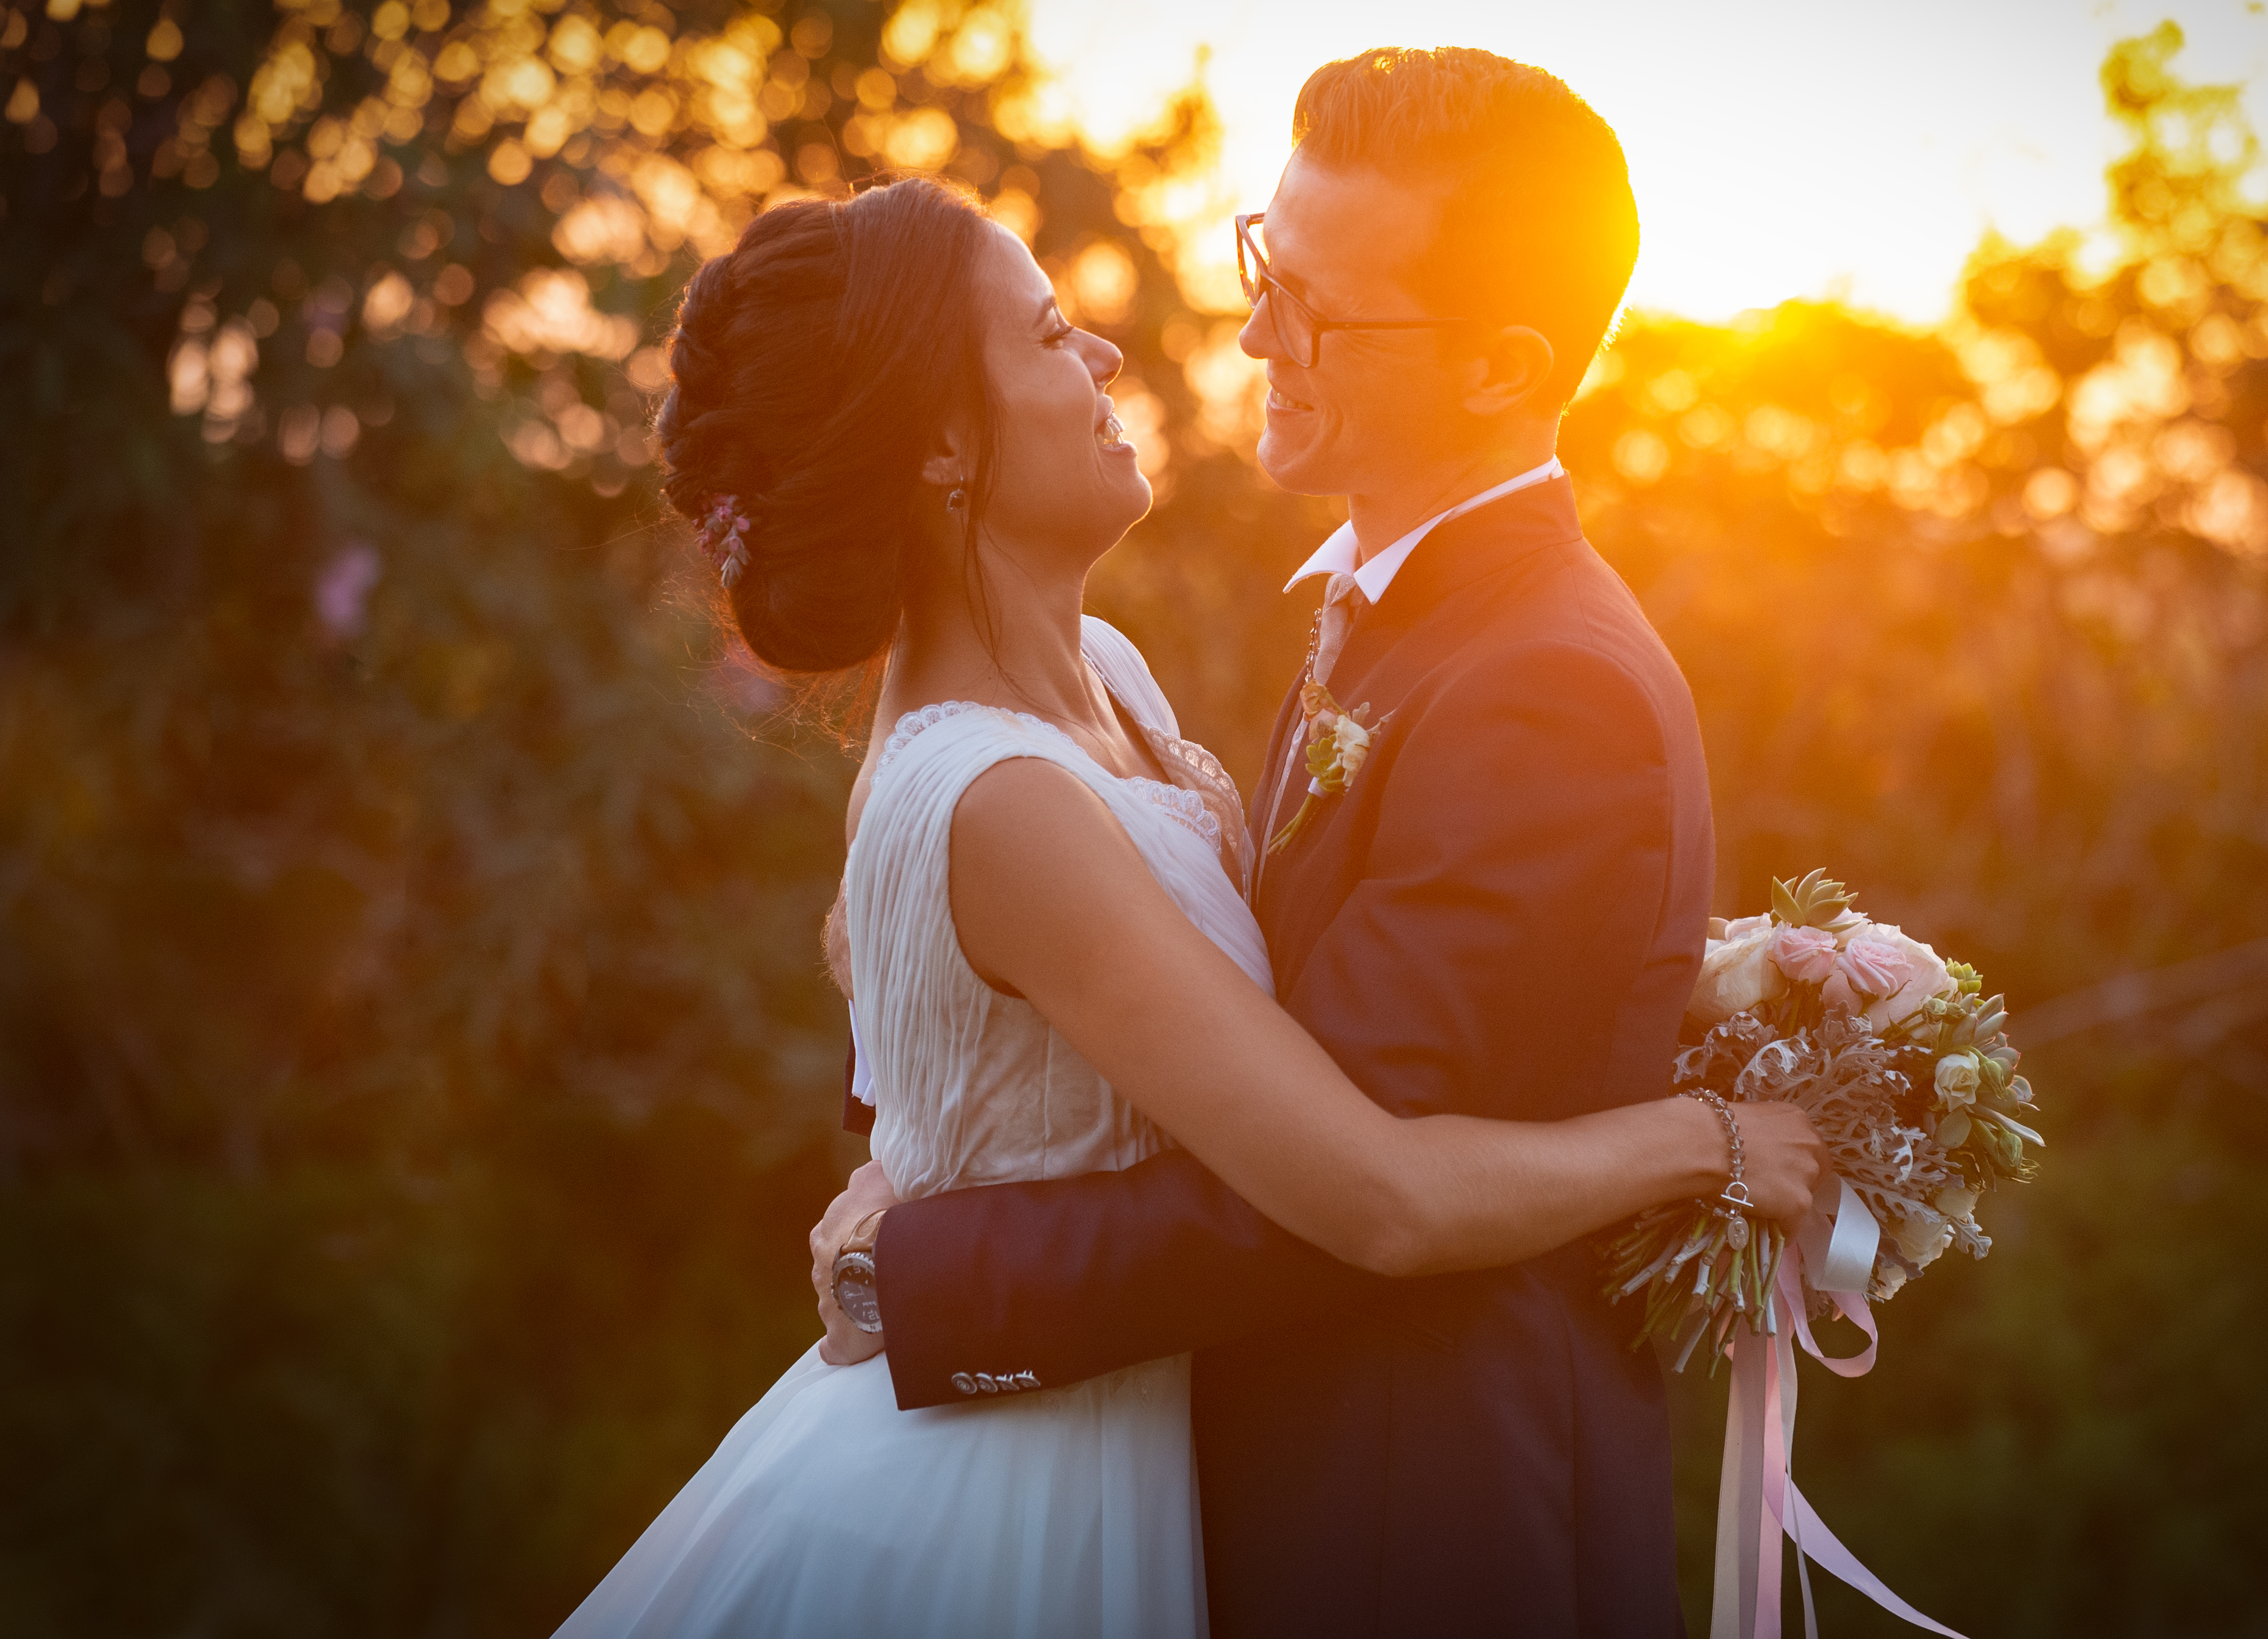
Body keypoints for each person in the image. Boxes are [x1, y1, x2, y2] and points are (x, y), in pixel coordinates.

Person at [558, 121, 1821, 1635]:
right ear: (943, 447)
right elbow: (1367, 1184)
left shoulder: (1117, 679)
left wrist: (1685, 981)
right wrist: (1710, 1141)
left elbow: (1319, 1005)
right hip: (992, 1520)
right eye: (1042, 332)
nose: (1120, 347)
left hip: (1277, 1472)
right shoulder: (1004, 788)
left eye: (1314, 301)